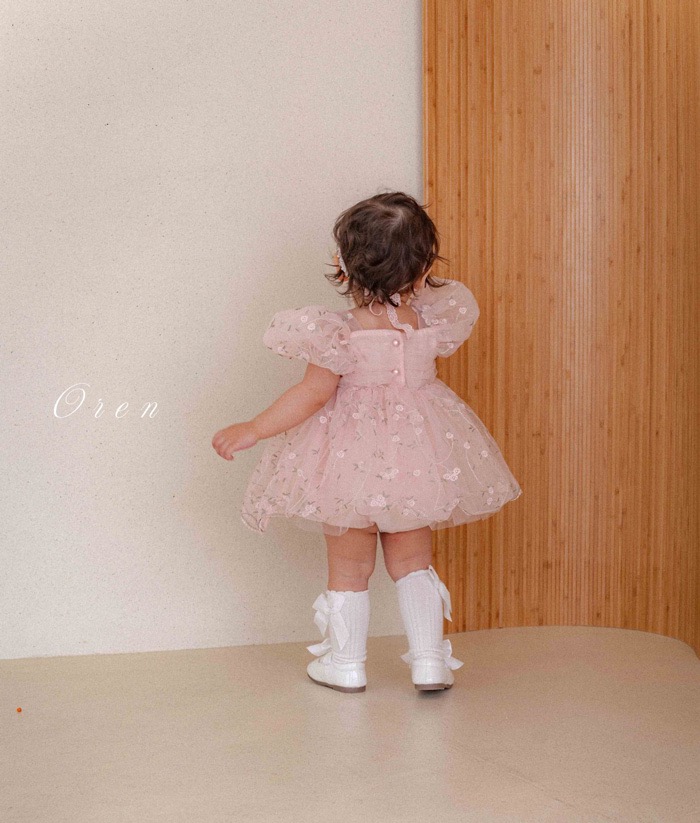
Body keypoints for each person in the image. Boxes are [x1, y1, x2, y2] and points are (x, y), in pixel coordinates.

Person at [212, 192, 522, 694]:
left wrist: (254, 428)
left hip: (348, 460)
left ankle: (346, 664)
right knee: (413, 562)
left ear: (343, 265)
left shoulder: (339, 331)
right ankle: (429, 662)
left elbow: (312, 394)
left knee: (351, 565)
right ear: (424, 271)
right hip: (417, 455)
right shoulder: (429, 321)